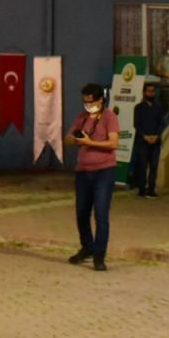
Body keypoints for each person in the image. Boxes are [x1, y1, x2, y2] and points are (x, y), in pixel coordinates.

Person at [67, 83, 119, 271]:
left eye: (91, 102)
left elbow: (113, 143)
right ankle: (87, 247)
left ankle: (99, 255)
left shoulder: (109, 117)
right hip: (83, 171)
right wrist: (74, 138)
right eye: (85, 102)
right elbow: (67, 139)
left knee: (101, 213)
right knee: (82, 213)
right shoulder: (81, 118)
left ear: (100, 100)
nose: (88, 105)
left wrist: (90, 142)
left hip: (104, 171)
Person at [130, 81, 165, 198]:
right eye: (149, 91)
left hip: (156, 142)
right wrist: (145, 136)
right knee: (142, 166)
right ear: (144, 92)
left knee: (154, 166)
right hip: (142, 141)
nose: (151, 93)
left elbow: (161, 123)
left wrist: (157, 136)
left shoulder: (158, 108)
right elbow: (136, 124)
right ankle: (142, 189)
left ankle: (151, 190)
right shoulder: (138, 108)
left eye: (153, 91)